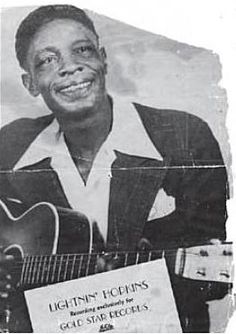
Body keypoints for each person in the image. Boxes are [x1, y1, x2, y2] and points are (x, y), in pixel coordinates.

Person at [0, 4, 230, 333]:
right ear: (30, 83)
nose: (70, 67)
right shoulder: (9, 147)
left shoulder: (182, 137)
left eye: (82, 50)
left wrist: (126, 285)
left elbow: (217, 277)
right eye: (48, 60)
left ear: (103, 58)